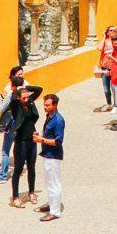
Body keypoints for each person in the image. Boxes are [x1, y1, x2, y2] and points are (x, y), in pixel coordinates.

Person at [8, 81, 44, 207]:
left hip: (32, 139)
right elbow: (13, 100)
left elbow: (39, 89)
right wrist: (16, 89)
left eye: (27, 96)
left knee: (32, 167)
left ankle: (31, 192)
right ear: (18, 98)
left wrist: (27, 88)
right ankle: (15, 196)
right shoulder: (16, 105)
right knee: (18, 169)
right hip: (21, 141)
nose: (26, 99)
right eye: (23, 97)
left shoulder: (30, 102)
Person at [32, 92, 65, 222]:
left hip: (53, 155)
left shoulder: (58, 120)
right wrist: (41, 136)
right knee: (49, 182)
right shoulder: (49, 116)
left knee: (54, 183)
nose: (44, 107)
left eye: (47, 105)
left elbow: (58, 141)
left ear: (55, 105)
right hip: (47, 154)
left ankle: (55, 212)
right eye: (44, 105)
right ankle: (52, 204)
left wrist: (41, 140)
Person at [0, 67, 26, 185]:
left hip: (11, 126)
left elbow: (2, 108)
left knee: (6, 151)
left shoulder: (11, 95)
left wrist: (0, 99)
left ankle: (3, 176)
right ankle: (19, 170)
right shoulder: (24, 95)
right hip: (21, 124)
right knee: (18, 147)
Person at [96, 27, 117, 112]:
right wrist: (103, 37)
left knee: (114, 88)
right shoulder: (105, 41)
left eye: (115, 30)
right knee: (106, 89)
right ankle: (109, 104)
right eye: (111, 30)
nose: (113, 32)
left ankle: (116, 105)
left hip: (114, 68)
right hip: (105, 68)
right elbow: (99, 48)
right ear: (107, 32)